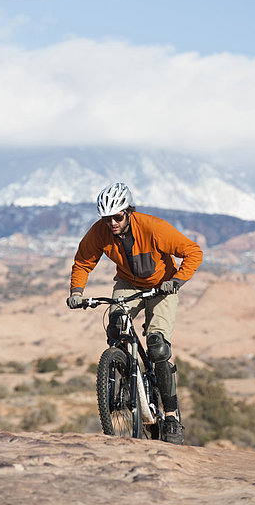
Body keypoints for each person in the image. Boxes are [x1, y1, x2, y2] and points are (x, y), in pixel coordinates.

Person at [67, 182, 203, 444]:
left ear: (128, 211)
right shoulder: (99, 233)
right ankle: (126, 378)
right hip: (128, 284)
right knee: (116, 325)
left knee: (157, 345)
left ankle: (172, 416)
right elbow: (83, 261)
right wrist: (76, 291)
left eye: (117, 217)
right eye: (107, 218)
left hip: (162, 285)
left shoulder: (153, 227)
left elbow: (193, 252)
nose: (112, 223)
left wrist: (176, 281)